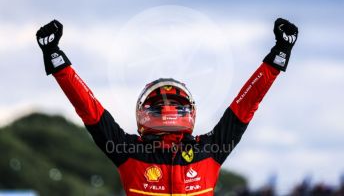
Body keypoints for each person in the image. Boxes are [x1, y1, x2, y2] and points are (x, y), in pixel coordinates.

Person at [36, 18, 298, 195]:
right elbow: (89, 109)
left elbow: (246, 104)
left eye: (175, 104)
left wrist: (277, 57)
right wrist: (57, 59)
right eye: (160, 105)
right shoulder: (129, 151)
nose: (168, 110)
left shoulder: (209, 149)